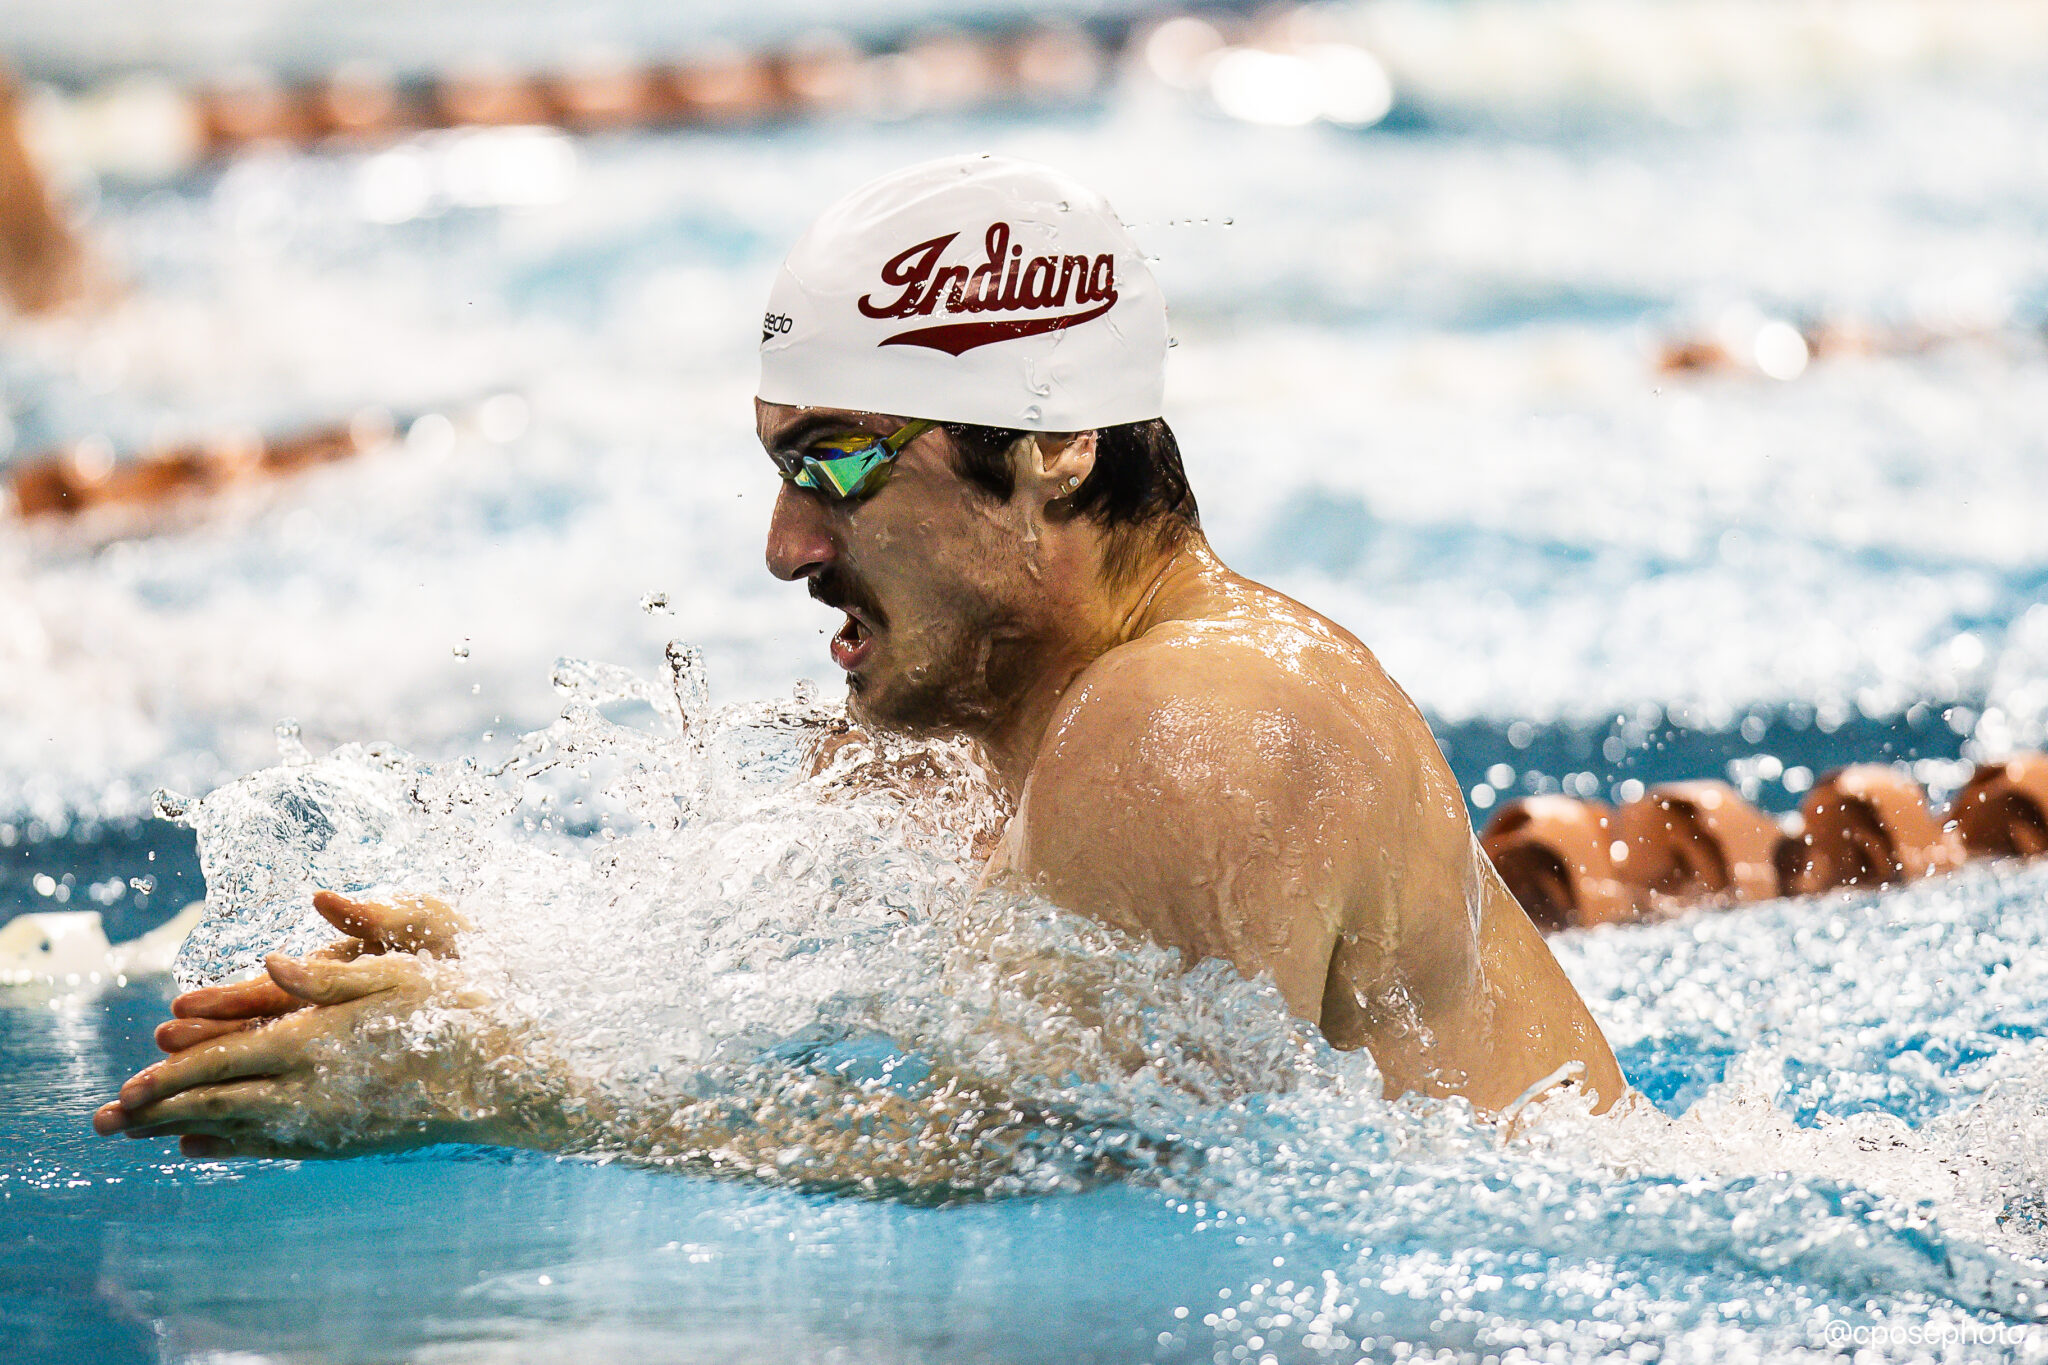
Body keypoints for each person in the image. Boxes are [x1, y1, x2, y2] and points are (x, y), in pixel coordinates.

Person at [95, 154, 1626, 1159]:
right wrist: (499, 995)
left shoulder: (1205, 722)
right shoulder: (980, 716)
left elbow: (1105, 1182)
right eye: (779, 470)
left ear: (1056, 445)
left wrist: (524, 1091)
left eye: (834, 468)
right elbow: (875, 1046)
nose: (784, 546)